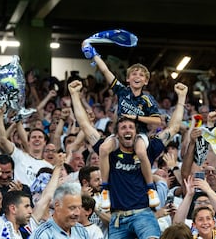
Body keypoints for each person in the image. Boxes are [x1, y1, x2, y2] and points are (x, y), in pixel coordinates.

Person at [68, 79, 188, 238]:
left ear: (136, 133)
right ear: (117, 134)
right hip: (118, 219)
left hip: (143, 215)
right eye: (123, 127)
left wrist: (181, 98)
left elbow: (173, 128)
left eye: (131, 127)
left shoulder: (147, 149)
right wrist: (74, 95)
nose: (127, 129)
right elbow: (84, 124)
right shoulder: (109, 152)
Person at [82, 41, 162, 208]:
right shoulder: (122, 91)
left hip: (139, 134)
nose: (137, 76)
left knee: (141, 152)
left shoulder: (147, 100)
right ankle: (105, 189)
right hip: (120, 133)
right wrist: (94, 55)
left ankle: (150, 188)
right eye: (134, 74)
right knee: (103, 149)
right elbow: (105, 71)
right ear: (127, 78)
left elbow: (158, 120)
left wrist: (136, 117)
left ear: (146, 81)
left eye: (141, 75)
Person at [0, 106, 53, 187]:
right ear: (28, 141)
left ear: (45, 142)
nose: (37, 139)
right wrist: (0, 115)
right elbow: (2, 140)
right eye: (33, 137)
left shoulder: (49, 166)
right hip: (17, 196)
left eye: (40, 137)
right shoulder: (18, 155)